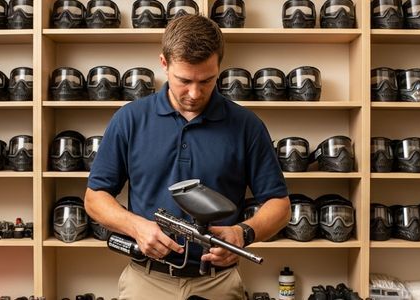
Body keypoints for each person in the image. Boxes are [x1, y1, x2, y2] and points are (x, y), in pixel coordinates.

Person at [85, 14, 290, 300]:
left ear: (219, 66)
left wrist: (243, 233)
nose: (194, 93)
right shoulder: (129, 120)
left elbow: (280, 206)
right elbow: (95, 199)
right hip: (146, 281)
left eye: (207, 80)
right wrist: (137, 227)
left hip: (217, 283)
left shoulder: (246, 125)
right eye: (184, 80)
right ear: (164, 63)